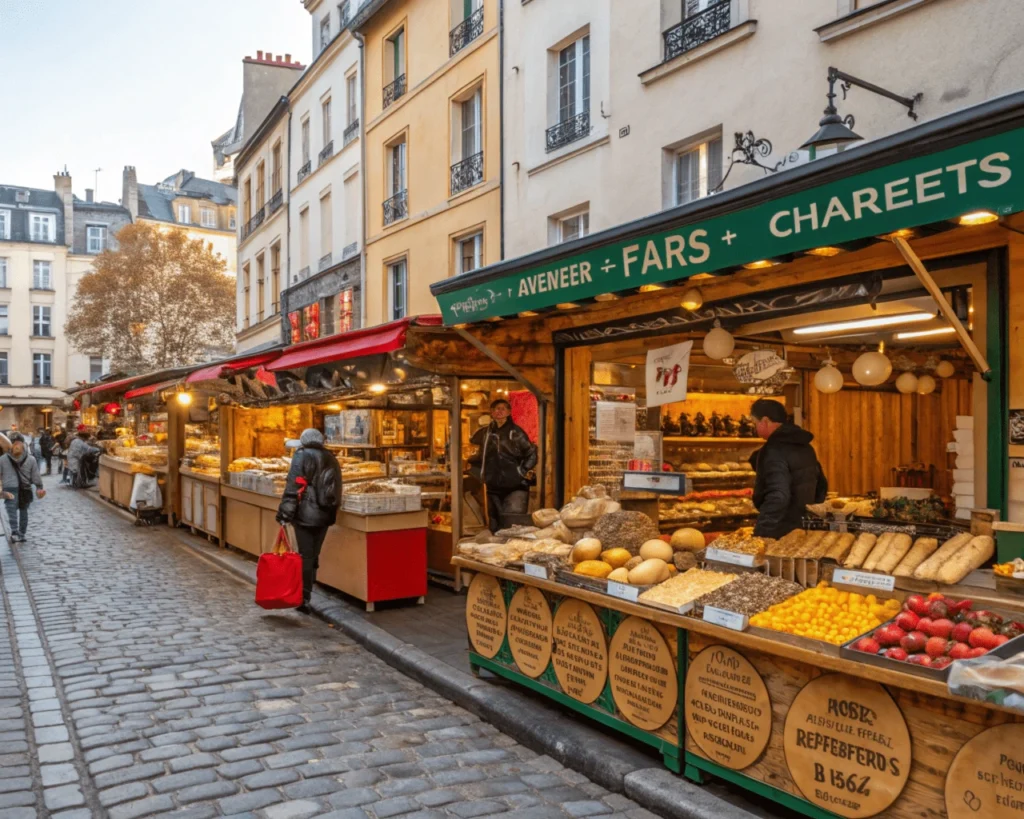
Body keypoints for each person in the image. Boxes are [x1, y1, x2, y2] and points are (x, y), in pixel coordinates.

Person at [276, 428, 342, 612]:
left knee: (305, 555)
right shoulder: (331, 457)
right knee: (313, 553)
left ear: (304, 440)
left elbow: (293, 485)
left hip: (305, 514)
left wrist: (284, 514)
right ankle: (309, 586)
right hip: (325, 514)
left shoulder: (302, 455)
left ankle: (304, 597)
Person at [749, 398, 828, 539]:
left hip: (779, 531)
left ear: (765, 421)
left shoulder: (772, 450)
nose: (754, 427)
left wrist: (761, 533)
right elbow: (821, 486)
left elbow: (778, 496)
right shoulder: (806, 447)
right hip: (803, 527)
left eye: (755, 423)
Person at [469, 399, 538, 534]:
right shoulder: (485, 433)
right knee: (494, 524)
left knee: (511, 526)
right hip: (492, 486)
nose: (499, 411)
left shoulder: (516, 432)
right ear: (491, 412)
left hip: (515, 487)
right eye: (496, 409)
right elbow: (479, 455)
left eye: (502, 409)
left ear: (508, 412)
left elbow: (532, 454)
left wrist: (521, 472)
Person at [1, 436, 45, 543]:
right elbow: (35, 476)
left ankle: (15, 532)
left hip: (9, 487)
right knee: (23, 511)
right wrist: (39, 487)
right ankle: (22, 534)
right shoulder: (31, 459)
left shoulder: (2, 459)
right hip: (25, 488)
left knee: (11, 511)